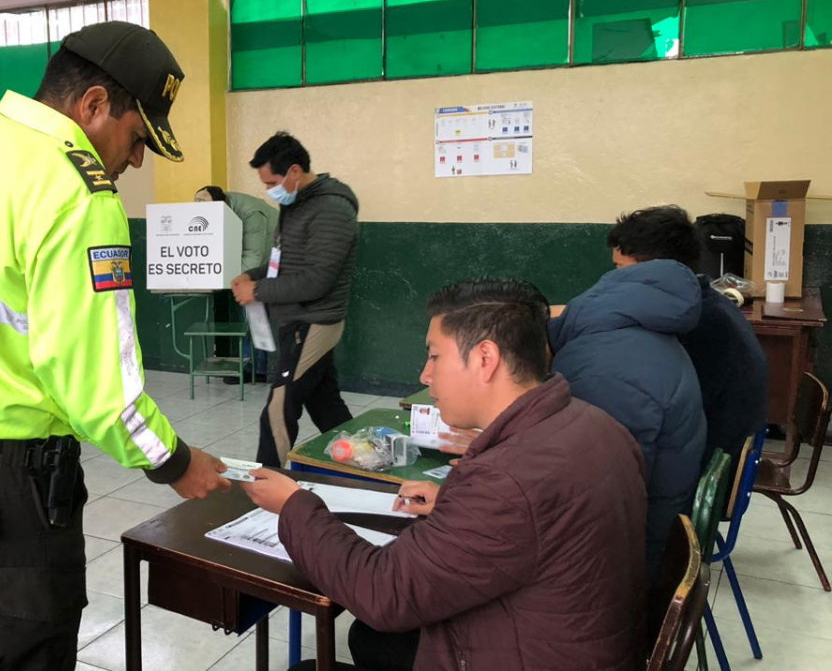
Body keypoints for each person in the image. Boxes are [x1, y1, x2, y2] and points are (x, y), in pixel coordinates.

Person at [0, 22, 230, 669]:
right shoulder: (78, 193)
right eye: (137, 136)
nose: (137, 159)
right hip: (9, 486)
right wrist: (174, 460)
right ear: (92, 104)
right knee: (19, 650)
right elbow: (101, 392)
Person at [243, 279, 647, 671]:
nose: (425, 375)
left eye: (435, 356)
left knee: (312, 664)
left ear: (485, 359)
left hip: (526, 649)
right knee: (371, 639)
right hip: (574, 637)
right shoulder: (596, 423)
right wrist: (454, 504)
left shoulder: (507, 482)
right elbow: (538, 524)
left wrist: (294, 506)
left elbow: (384, 593)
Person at [549, 252, 706, 576]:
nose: (427, 377)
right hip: (653, 523)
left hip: (624, 565)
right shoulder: (635, 337)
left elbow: (598, 503)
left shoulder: (604, 372)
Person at [230, 132, 359, 467]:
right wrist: (255, 276)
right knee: (326, 407)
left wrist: (257, 291)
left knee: (278, 409)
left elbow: (317, 280)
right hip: (294, 319)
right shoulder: (298, 204)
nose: (269, 190)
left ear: (295, 171)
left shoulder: (332, 208)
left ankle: (266, 489)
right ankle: (365, 464)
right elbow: (283, 263)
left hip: (314, 321)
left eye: (272, 181)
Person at [607, 205, 768, 465]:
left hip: (708, 470)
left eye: (621, 268)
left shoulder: (697, 324)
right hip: (718, 453)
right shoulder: (703, 302)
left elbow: (657, 411)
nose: (615, 280)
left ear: (657, 269)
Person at [194, 185, 279, 385]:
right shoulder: (218, 208)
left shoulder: (251, 213)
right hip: (256, 258)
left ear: (221, 206)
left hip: (274, 255)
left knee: (252, 307)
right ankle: (256, 368)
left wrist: (232, 281)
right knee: (253, 311)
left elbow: (254, 255)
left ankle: (253, 367)